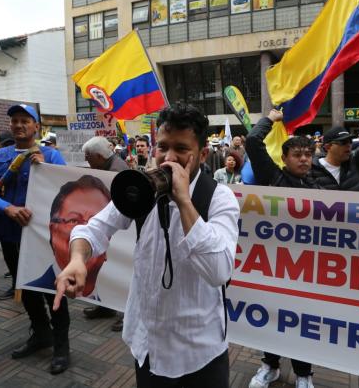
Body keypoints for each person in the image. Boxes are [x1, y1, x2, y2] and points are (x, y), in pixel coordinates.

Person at [54, 102, 240, 387]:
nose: (168, 158)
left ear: (202, 154)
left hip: (199, 353)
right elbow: (95, 228)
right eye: (162, 147)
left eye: (181, 149)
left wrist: (184, 202)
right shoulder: (142, 188)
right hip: (148, 346)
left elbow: (218, 271)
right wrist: (78, 259)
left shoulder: (219, 198)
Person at [0, 104, 71, 374]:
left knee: (54, 292)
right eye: (15, 121)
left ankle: (62, 346)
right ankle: (41, 335)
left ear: (36, 126)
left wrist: (47, 169)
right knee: (25, 289)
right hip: (12, 237)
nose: (18, 125)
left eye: (25, 121)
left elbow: (66, 191)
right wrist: (7, 208)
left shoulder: (52, 155)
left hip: (44, 240)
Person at [245, 108, 317, 388]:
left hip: (307, 269)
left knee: (303, 322)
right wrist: (270, 119)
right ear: (284, 158)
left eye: (308, 154)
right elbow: (252, 142)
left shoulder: (318, 184)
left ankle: (303, 374)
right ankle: (270, 366)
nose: (304, 159)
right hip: (275, 265)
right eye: (297, 154)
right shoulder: (273, 177)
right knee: (273, 316)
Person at [26, 175, 111, 299]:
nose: (87, 230)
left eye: (97, 223)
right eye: (74, 221)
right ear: (53, 231)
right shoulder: (36, 290)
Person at [79, 136, 127, 330]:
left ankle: (125, 313)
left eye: (88, 157)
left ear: (98, 156)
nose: (87, 161)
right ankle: (105, 306)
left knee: (122, 271)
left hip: (119, 232)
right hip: (109, 230)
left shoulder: (116, 171)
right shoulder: (108, 166)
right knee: (104, 270)